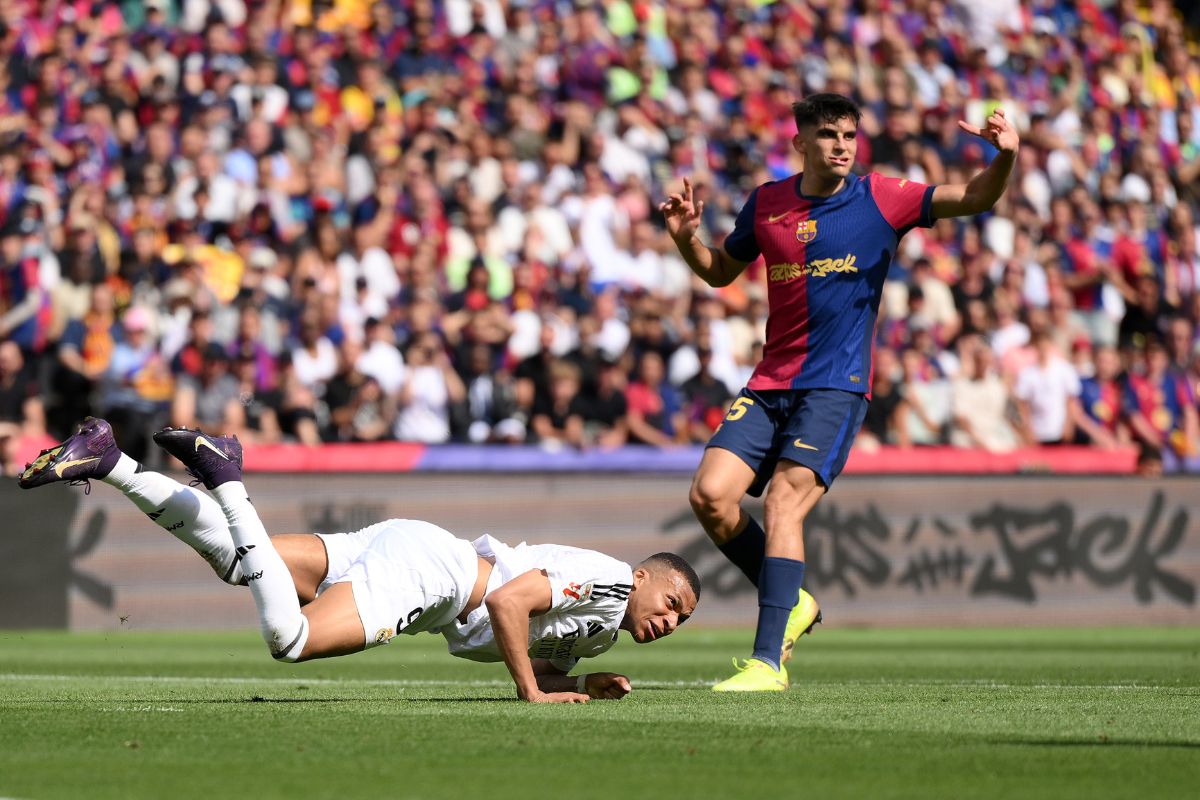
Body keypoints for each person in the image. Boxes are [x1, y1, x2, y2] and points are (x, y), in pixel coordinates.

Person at [660, 92, 1019, 691]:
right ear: (800, 142)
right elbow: (722, 271)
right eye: (829, 135)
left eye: (850, 135)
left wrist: (1004, 158)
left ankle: (767, 663)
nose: (842, 146)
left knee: (781, 502)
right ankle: (794, 601)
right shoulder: (767, 203)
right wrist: (683, 238)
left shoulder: (883, 196)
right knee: (710, 497)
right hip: (771, 381)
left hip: (835, 385)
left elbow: (977, 196)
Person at [19, 418, 699, 704]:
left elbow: (524, 639)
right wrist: (533, 695)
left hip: (423, 554)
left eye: (682, 620)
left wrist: (573, 678)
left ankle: (110, 459)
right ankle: (226, 477)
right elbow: (506, 604)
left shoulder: (604, 621)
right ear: (644, 576)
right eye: (673, 602)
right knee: (289, 639)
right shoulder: (610, 579)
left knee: (238, 558)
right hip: (439, 579)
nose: (671, 620)